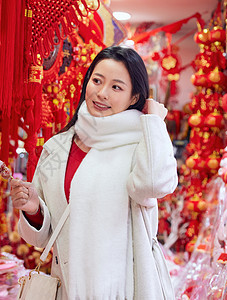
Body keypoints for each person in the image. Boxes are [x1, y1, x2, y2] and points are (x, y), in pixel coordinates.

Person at [11, 45, 178, 299]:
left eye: (116, 87)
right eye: (96, 81)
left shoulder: (140, 145)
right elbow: (43, 238)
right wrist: (34, 209)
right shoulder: (57, 148)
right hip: (67, 286)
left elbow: (153, 185)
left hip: (125, 287)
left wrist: (154, 122)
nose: (101, 93)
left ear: (134, 98)